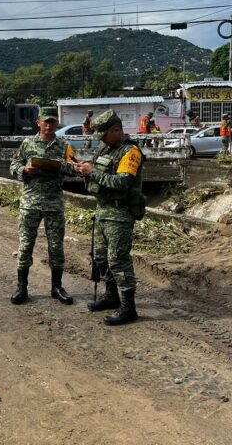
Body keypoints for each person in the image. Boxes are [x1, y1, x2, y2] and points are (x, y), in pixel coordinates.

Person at [74, 110, 144, 326]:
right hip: (103, 210)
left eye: (104, 135)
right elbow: (97, 170)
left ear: (116, 130)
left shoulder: (130, 152)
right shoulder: (106, 148)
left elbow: (122, 182)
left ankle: (128, 307)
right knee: (101, 257)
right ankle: (111, 295)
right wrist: (84, 169)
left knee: (118, 261)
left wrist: (92, 173)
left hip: (119, 214)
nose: (102, 140)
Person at [9, 108, 77, 306]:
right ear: (38, 122)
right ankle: (22, 287)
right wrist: (24, 170)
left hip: (54, 202)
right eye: (45, 122)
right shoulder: (27, 143)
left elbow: (75, 168)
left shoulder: (64, 145)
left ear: (57, 124)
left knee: (56, 246)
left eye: (53, 122)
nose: (49, 126)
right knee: (25, 245)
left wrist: (58, 166)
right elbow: (14, 165)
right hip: (30, 202)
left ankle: (57, 287)